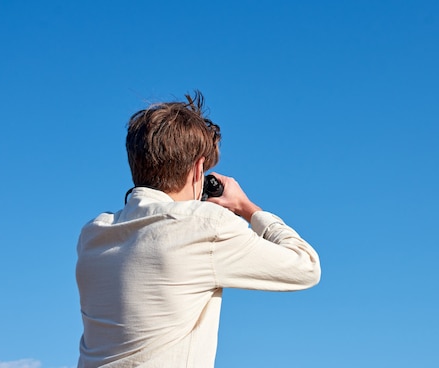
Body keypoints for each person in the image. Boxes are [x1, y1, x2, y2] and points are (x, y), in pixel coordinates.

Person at [75, 91, 321, 367]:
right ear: (197, 169)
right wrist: (246, 207)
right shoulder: (205, 224)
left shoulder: (93, 235)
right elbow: (306, 267)